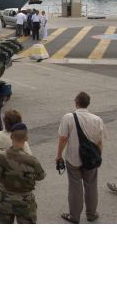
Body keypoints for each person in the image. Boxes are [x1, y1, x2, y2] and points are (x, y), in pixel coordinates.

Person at [57, 92, 106, 223]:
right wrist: (98, 157)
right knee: (91, 185)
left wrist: (59, 156)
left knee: (75, 187)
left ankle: (74, 216)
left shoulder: (68, 117)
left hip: (73, 158)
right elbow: (100, 142)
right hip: (91, 160)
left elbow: (63, 138)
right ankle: (91, 214)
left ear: (76, 102)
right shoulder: (97, 119)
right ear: (88, 103)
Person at [0, 123, 45, 223]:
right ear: (26, 138)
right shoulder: (32, 161)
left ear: (11, 137)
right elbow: (41, 176)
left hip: (4, 199)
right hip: (25, 201)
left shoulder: (0, 156)